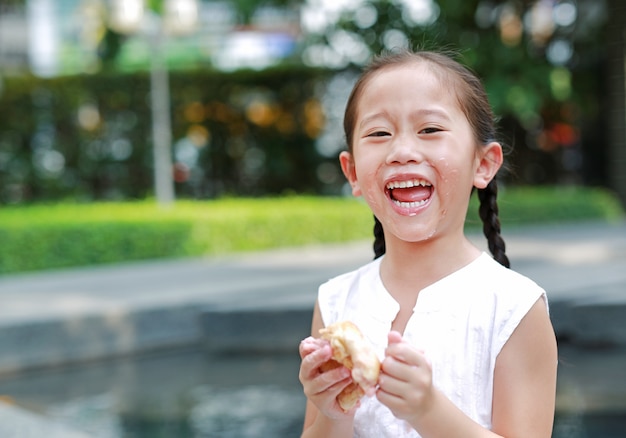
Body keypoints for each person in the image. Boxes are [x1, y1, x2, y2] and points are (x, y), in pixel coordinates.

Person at [298, 50, 558, 437]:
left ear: (483, 163)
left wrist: (428, 411)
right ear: (352, 171)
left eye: (430, 130)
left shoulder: (513, 309)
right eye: (379, 133)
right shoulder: (336, 301)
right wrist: (334, 413)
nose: (402, 152)